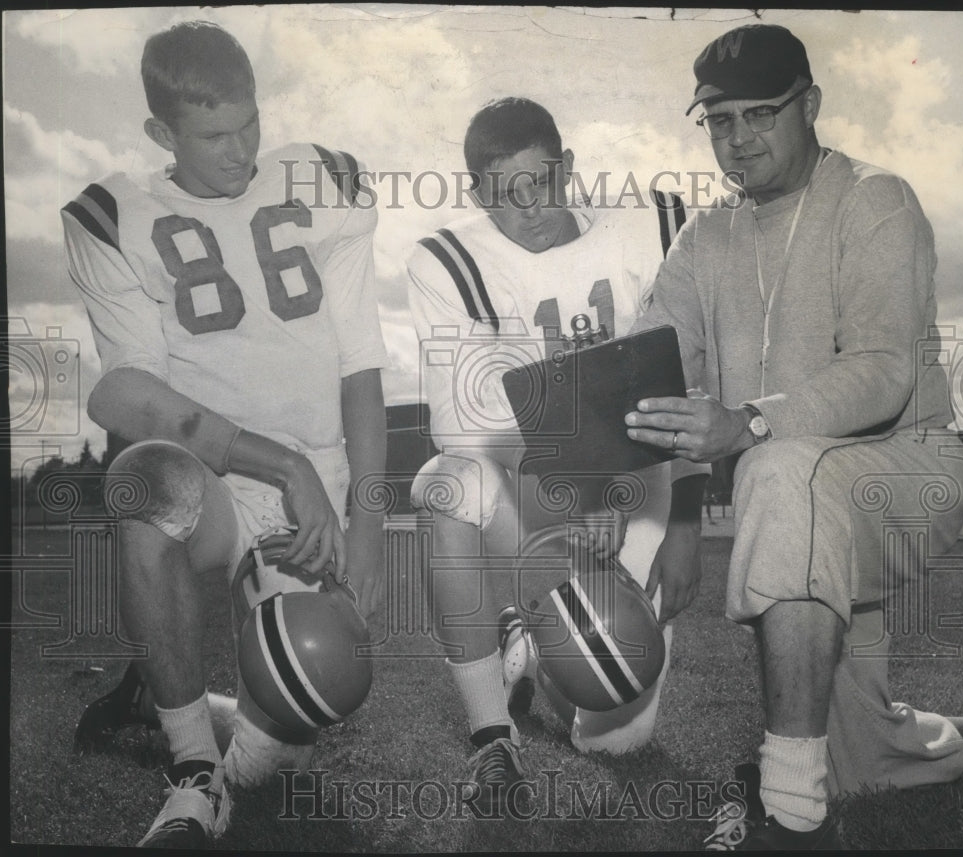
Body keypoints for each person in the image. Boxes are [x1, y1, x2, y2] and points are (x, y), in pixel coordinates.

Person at [625, 24, 963, 850]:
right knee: (860, 754)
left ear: (809, 104)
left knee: (778, 467)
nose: (738, 139)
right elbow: (656, 376)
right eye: (719, 122)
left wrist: (748, 420)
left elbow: (887, 368)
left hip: (906, 474)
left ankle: (790, 818)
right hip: (798, 502)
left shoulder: (875, 198)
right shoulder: (702, 237)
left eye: (760, 114)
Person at [61, 21, 388, 848]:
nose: (242, 151)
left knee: (313, 689)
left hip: (315, 484)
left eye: (251, 124)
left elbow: (360, 364)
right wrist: (275, 463)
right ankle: (190, 771)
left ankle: (157, 697)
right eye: (214, 136)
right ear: (160, 133)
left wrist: (371, 518)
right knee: (144, 480)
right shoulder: (116, 217)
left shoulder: (322, 181)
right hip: (217, 478)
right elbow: (126, 394)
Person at [406, 97, 709, 812]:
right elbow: (463, 422)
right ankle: (491, 737)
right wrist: (585, 485)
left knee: (611, 731)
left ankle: (530, 641)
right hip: (535, 491)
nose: (529, 208)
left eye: (540, 183)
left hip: (645, 484)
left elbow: (697, 383)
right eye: (504, 195)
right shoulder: (449, 261)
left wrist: (688, 525)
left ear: (567, 168)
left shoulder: (650, 228)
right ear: (478, 195)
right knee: (444, 482)